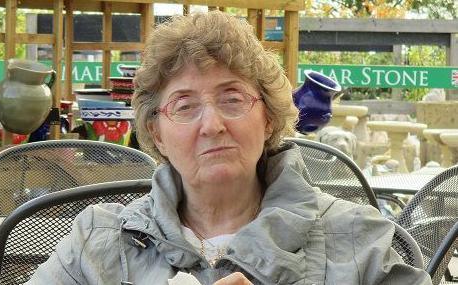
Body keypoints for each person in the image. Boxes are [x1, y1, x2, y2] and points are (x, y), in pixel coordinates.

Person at [28, 11, 431, 284]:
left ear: (269, 117)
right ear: (159, 133)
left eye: (232, 99)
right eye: (184, 106)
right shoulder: (95, 240)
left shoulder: (363, 241)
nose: (212, 125)